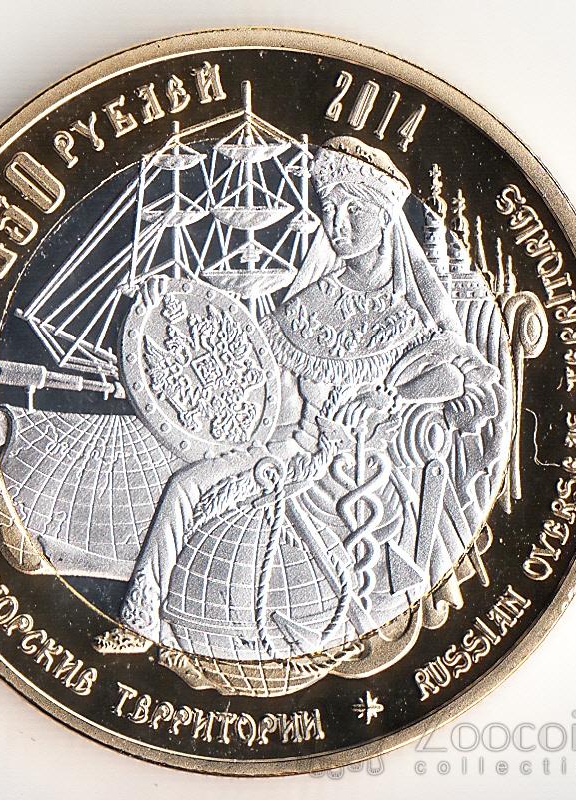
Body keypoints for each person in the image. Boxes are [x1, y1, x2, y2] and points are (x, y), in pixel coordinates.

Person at [100, 136, 501, 660]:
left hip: (361, 471)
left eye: (353, 210)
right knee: (182, 484)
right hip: (288, 450)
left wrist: (391, 397)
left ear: (384, 217)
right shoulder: (310, 301)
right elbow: (251, 368)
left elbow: (459, 377)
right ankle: (141, 621)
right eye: (328, 209)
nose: (337, 224)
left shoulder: (410, 313)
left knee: (211, 497)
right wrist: (166, 314)